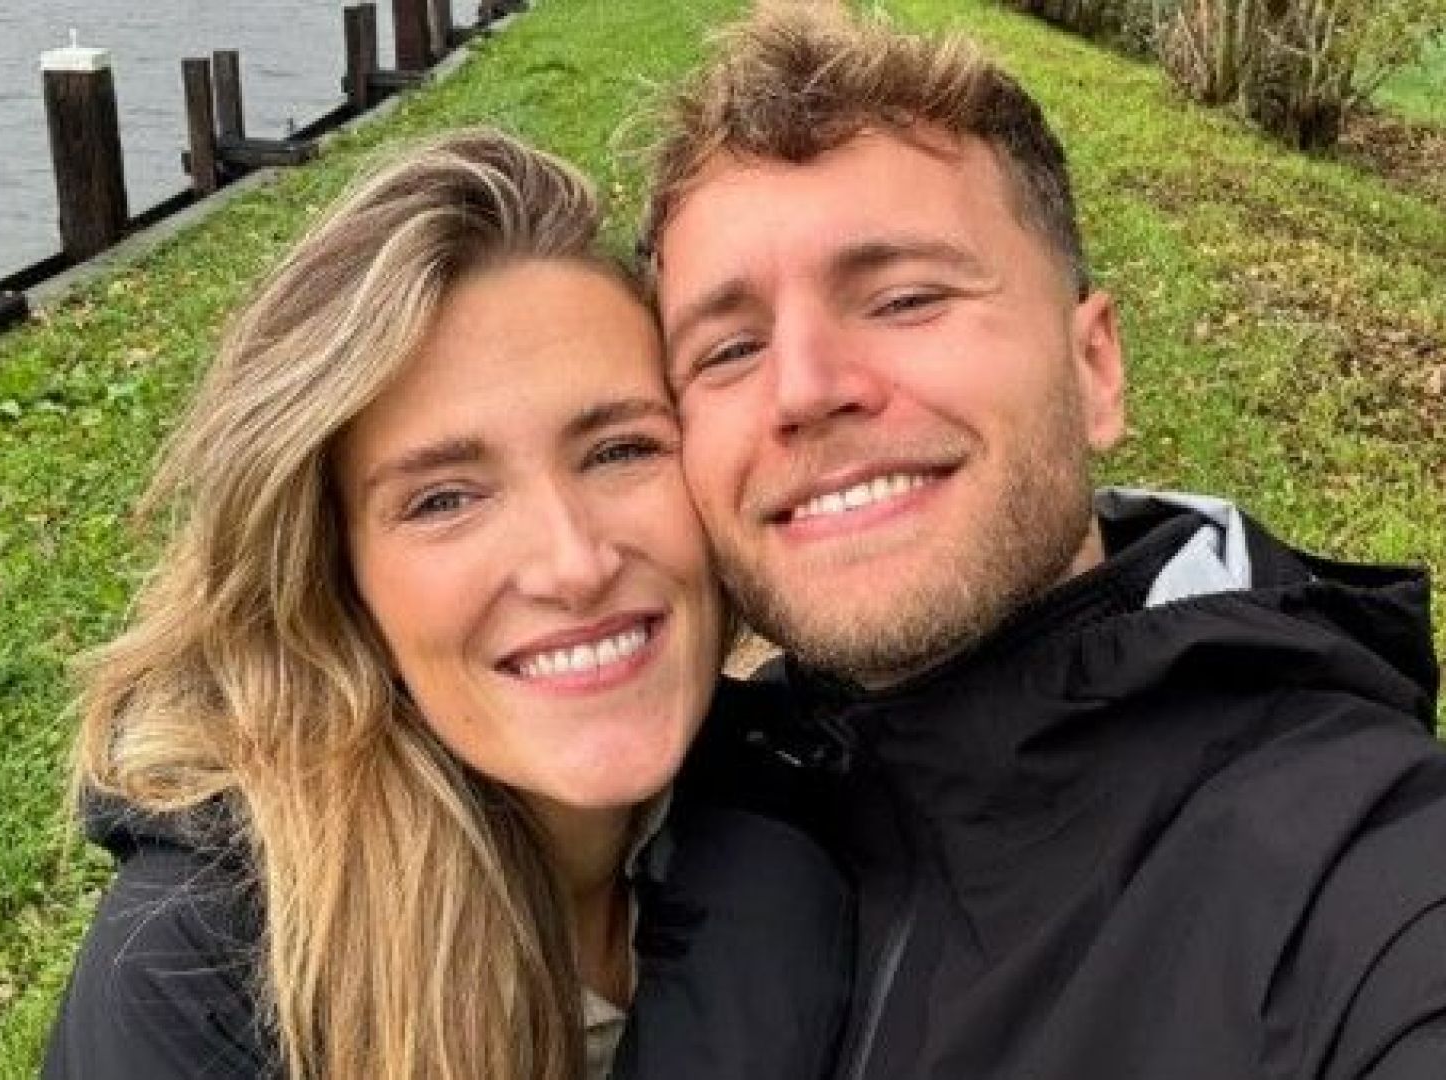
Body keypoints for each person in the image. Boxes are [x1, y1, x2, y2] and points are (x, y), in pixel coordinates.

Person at [639, 5, 1446, 1077]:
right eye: (728, 350)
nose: (805, 389)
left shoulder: (1383, 877)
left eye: (906, 298)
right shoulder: (659, 810)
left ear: (1095, 368)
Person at [42, 129, 848, 1080]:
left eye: (621, 450)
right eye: (443, 500)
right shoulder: (205, 980)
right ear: (335, 577)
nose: (574, 564)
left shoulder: (809, 794)